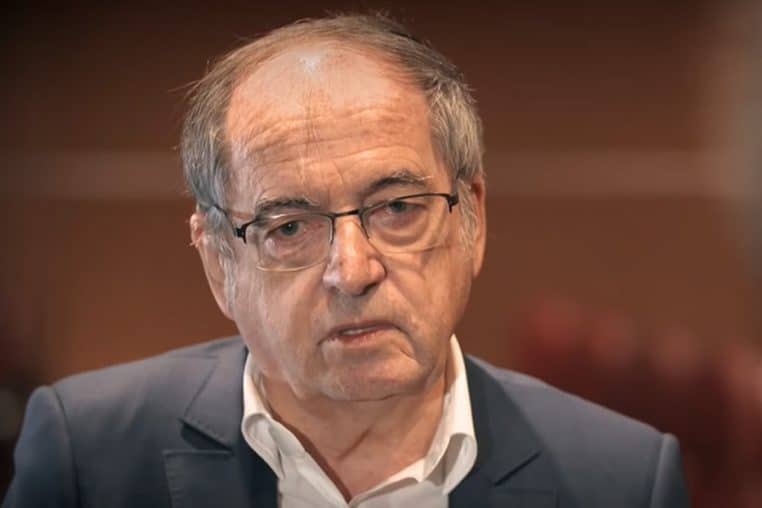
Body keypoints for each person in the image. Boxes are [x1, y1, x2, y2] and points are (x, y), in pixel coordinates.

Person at [3, 13, 690, 508]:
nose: (354, 270)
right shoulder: (88, 453)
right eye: (289, 227)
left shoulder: (620, 478)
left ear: (472, 220)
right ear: (218, 263)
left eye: (398, 208)